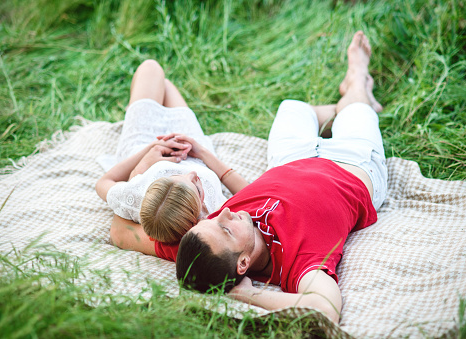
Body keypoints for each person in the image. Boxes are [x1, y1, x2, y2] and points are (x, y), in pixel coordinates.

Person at [174, 31, 388, 324]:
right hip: (352, 165)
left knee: (292, 107)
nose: (224, 212)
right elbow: (324, 307)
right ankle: (357, 80)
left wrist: (199, 156)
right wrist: (248, 295)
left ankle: (350, 104)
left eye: (210, 220)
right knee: (357, 111)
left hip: (290, 160)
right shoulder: (297, 265)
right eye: (225, 230)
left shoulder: (198, 251)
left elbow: (123, 233)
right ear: (243, 264)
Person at [95, 59, 248, 252]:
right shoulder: (216, 214)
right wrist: (202, 152)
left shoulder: (135, 197)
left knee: (151, 68)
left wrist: (148, 155)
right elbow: (254, 194)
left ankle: (135, 111)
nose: (191, 174)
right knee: (165, 85)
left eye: (169, 177)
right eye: (196, 186)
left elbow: (104, 181)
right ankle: (140, 106)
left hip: (143, 146)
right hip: (192, 145)